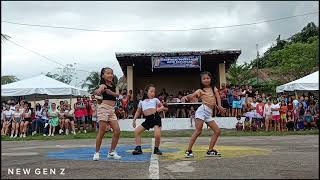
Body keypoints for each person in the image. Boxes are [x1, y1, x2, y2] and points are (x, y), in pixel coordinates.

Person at [181, 71, 225, 158]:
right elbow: (192, 96)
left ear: (211, 79)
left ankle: (210, 150)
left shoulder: (214, 88)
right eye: (204, 78)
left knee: (217, 131)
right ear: (201, 80)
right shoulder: (200, 90)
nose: (206, 80)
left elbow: (218, 97)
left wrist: (219, 106)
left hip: (208, 114)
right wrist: (185, 97)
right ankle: (188, 150)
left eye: (207, 78)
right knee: (198, 131)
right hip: (202, 111)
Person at [93, 67, 121, 161]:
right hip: (103, 108)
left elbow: (117, 95)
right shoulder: (103, 85)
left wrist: (110, 92)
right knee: (102, 131)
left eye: (111, 73)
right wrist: (98, 91)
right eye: (108, 73)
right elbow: (98, 91)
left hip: (111, 110)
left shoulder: (115, 86)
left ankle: (111, 152)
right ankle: (96, 153)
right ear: (103, 76)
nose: (110, 75)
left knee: (117, 131)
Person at [131, 84, 165, 155]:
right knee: (137, 131)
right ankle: (138, 148)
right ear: (146, 92)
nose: (153, 93)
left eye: (154, 92)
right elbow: (138, 111)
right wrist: (134, 120)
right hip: (148, 120)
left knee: (157, 135)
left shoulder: (155, 100)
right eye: (151, 91)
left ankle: (156, 149)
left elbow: (162, 107)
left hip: (155, 118)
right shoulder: (141, 102)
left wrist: (158, 109)